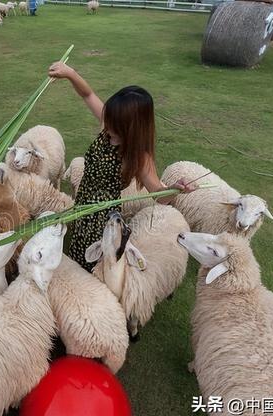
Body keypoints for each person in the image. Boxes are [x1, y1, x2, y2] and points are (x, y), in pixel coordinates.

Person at [48, 62, 197, 271]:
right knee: (78, 249)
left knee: (94, 261)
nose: (106, 127)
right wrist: (70, 74)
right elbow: (88, 95)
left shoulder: (138, 157)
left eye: (113, 126)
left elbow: (158, 195)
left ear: (131, 129)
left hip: (102, 218)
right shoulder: (109, 126)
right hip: (84, 204)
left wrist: (175, 188)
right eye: (107, 120)